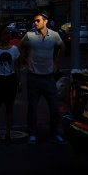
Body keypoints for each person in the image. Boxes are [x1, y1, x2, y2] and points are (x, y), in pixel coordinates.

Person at [18, 11, 66, 145]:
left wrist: (56, 63)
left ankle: (55, 133)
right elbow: (20, 46)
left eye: (38, 20)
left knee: (54, 107)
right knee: (32, 107)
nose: (35, 23)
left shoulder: (54, 35)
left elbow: (62, 47)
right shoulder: (30, 35)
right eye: (35, 21)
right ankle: (32, 133)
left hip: (49, 78)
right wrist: (25, 62)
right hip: (33, 77)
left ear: (46, 21)